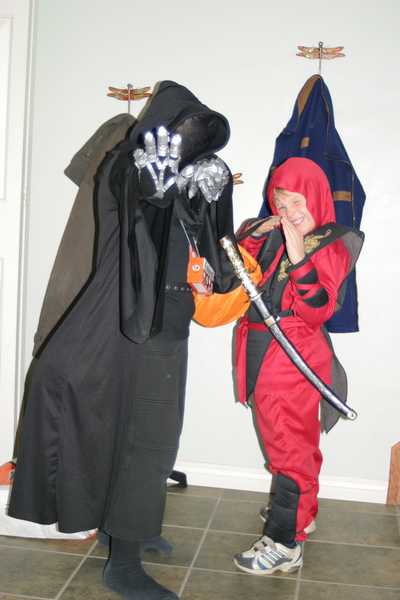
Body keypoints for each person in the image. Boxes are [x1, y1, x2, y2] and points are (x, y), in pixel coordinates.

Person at [8, 81, 237, 600]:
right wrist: (155, 185)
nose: (189, 144)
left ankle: (129, 528)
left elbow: (212, 259)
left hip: (169, 325)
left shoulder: (188, 179)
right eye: (186, 132)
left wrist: (213, 197)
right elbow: (137, 195)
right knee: (142, 441)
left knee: (156, 440)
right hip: (131, 329)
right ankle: (124, 563)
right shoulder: (125, 165)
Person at [232, 157, 363, 575]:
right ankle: (300, 514)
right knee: (288, 443)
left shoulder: (330, 244)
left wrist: (300, 257)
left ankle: (285, 543)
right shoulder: (278, 235)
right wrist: (261, 230)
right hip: (263, 350)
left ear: (317, 198)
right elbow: (241, 262)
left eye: (296, 202)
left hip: (293, 355)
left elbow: (317, 310)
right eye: (281, 203)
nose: (289, 213)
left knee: (290, 449)